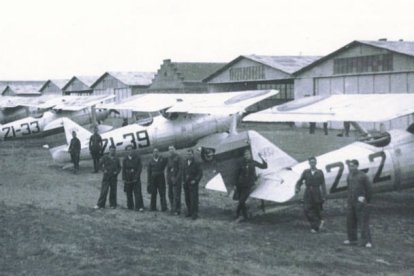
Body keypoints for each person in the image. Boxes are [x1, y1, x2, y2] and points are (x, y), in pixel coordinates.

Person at [343, 159, 373, 248]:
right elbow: (349, 188)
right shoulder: (349, 176)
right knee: (350, 221)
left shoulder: (363, 176)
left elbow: (369, 189)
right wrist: (348, 200)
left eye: (352, 166)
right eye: (349, 166)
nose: (350, 168)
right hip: (351, 201)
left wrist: (366, 200)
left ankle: (367, 241)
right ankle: (352, 239)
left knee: (363, 221)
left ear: (357, 166)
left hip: (360, 202)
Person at [295, 156, 327, 232]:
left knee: (317, 209)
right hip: (308, 192)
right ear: (309, 163)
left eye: (314, 162)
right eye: (311, 162)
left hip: (316, 192)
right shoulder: (306, 172)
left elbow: (323, 184)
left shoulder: (320, 172)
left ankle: (315, 227)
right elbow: (300, 181)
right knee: (306, 209)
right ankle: (317, 223)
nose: (312, 163)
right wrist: (297, 187)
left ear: (316, 163)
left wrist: (324, 195)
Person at [234, 150, 267, 221]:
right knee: (241, 201)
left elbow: (264, 166)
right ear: (244, 156)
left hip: (248, 184)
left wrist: (262, 157)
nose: (246, 156)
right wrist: (235, 184)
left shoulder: (253, 162)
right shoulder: (241, 163)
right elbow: (237, 174)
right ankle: (242, 215)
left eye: (248, 154)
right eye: (245, 155)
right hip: (240, 184)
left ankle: (239, 214)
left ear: (250, 155)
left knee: (242, 200)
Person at [183, 149, 203, 220]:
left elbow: (200, 173)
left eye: (190, 154)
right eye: (188, 154)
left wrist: (195, 180)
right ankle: (189, 212)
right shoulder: (185, 162)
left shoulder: (197, 163)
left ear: (193, 155)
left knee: (194, 199)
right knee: (187, 198)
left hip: (193, 183)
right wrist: (183, 181)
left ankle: (195, 213)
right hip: (186, 183)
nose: (189, 156)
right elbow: (183, 172)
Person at [122, 146, 144, 211]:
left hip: (135, 176)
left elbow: (140, 168)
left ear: (133, 150)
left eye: (131, 150)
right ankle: (130, 206)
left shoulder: (137, 158)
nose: (129, 151)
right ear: (126, 151)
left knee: (138, 192)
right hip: (128, 177)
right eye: (128, 150)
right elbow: (123, 169)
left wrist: (136, 176)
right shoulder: (125, 159)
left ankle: (139, 206)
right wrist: (124, 178)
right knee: (128, 192)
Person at [166, 145, 183, 215]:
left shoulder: (179, 157)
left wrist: (176, 179)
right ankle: (172, 208)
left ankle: (177, 209)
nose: (171, 150)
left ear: (175, 149)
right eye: (169, 149)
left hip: (177, 178)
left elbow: (180, 169)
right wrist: (168, 178)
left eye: (172, 149)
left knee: (177, 194)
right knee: (170, 194)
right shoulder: (169, 158)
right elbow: (168, 169)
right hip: (170, 178)